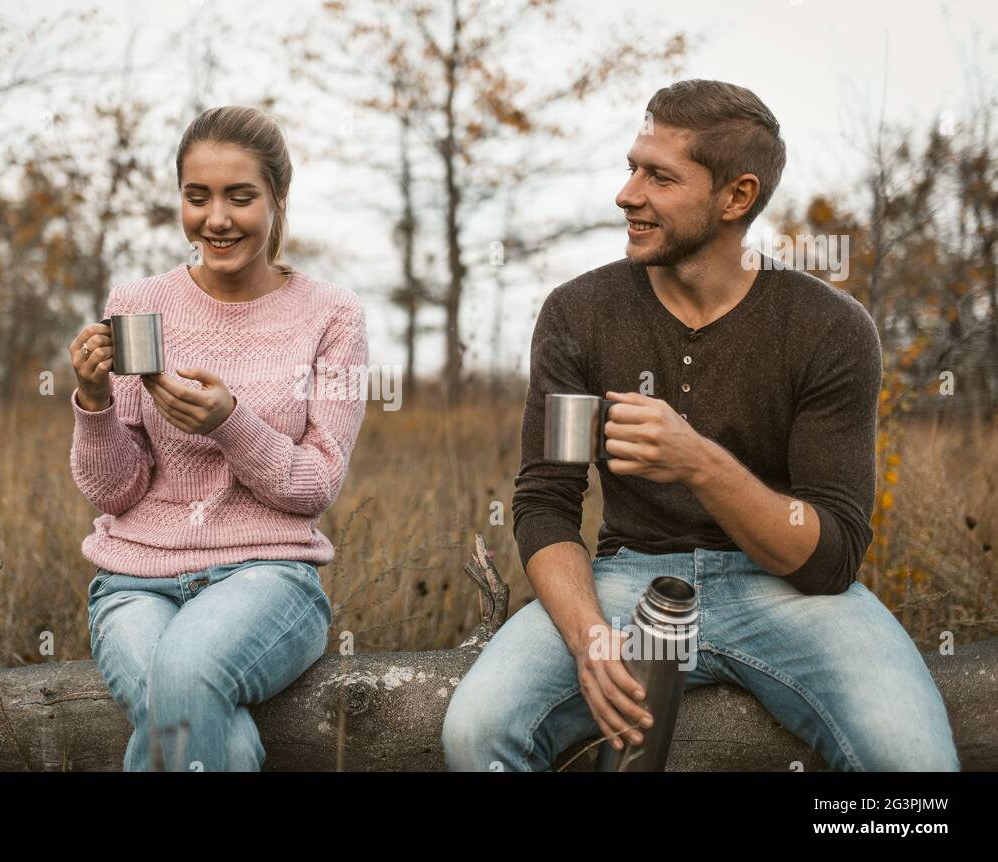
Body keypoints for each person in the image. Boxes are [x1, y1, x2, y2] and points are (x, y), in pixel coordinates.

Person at [442, 79, 960, 772]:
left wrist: (699, 462)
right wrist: (591, 635)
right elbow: (545, 504)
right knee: (476, 732)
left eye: (659, 176)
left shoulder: (829, 327)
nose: (627, 194)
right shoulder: (579, 314)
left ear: (736, 198)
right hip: (626, 582)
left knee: (915, 768)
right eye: (631, 168)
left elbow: (832, 553)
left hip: (788, 592)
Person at [70, 105, 368, 771]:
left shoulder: (333, 315)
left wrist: (229, 425)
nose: (216, 219)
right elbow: (116, 491)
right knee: (209, 725)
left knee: (181, 672)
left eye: (241, 197)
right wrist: (92, 402)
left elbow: (316, 484)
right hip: (134, 583)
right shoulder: (136, 304)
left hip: (271, 576)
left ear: (278, 199)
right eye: (196, 196)